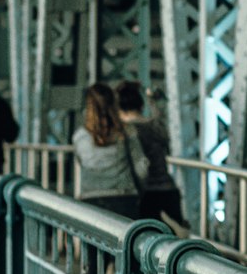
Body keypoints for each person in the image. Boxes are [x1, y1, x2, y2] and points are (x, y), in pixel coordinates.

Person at [72, 82, 148, 218]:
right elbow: (142, 169)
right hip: (125, 198)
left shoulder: (80, 137)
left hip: (91, 199)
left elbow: (81, 163)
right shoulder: (127, 132)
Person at [115, 81, 183, 224]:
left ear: (118, 108)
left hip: (144, 194)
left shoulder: (125, 132)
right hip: (168, 189)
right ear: (141, 105)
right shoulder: (156, 125)